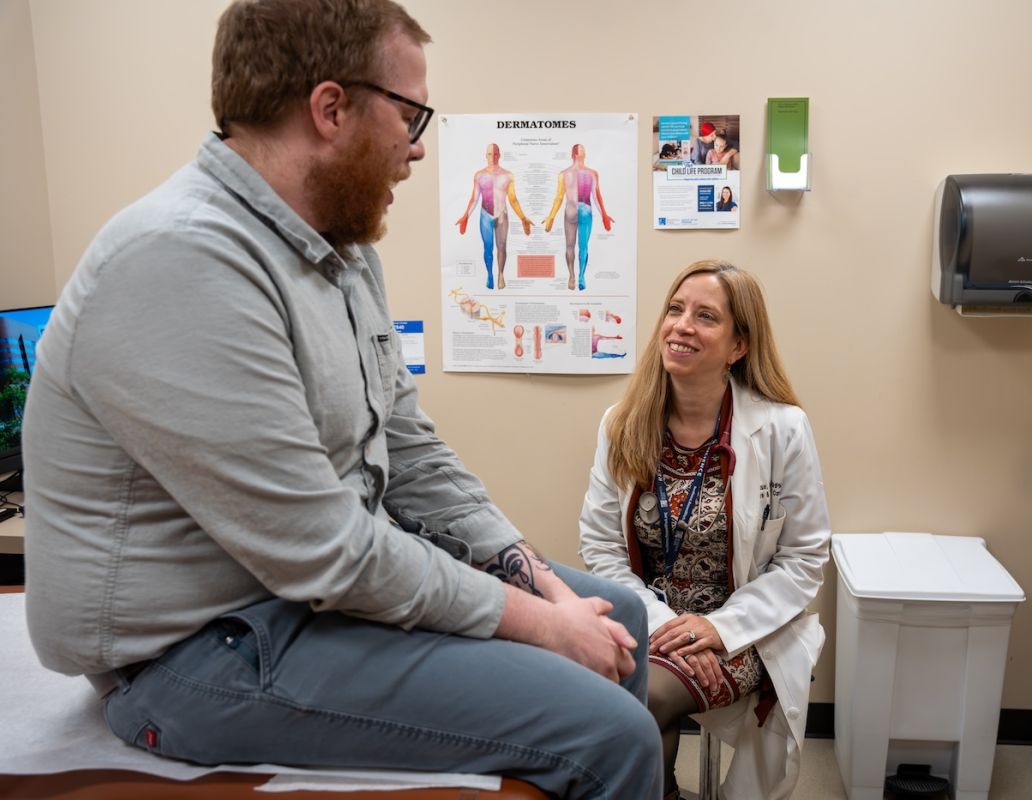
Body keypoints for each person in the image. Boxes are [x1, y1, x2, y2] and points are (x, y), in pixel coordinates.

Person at [20, 2, 661, 798]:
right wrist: (534, 622)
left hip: (295, 603)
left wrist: (533, 576)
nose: (419, 145)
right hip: (191, 658)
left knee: (616, 617)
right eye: (410, 112)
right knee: (611, 732)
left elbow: (413, 450)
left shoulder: (339, 252)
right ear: (330, 108)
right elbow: (322, 547)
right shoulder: (181, 260)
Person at [579, 260, 831, 800]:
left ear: (739, 345)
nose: (682, 325)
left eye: (705, 316)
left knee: (639, 700)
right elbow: (600, 546)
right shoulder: (621, 424)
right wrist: (663, 622)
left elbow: (805, 560)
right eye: (675, 309)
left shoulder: (781, 428)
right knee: (614, 694)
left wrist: (720, 628)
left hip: (746, 626)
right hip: (651, 619)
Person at [455, 143, 534, 290]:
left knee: (502, 246)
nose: (493, 157)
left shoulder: (508, 175)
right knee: (488, 247)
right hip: (485, 214)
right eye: (490, 154)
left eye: (495, 154)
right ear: (486, 156)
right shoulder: (479, 175)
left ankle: (501, 275)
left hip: (501, 214)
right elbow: (474, 198)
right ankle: (490, 275)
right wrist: (466, 215)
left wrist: (523, 217)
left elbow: (513, 199)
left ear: (499, 155)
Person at [542, 144, 614, 291]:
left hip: (571, 209)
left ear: (572, 154)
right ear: (581, 154)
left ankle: (573, 277)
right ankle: (579, 276)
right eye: (583, 150)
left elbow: (559, 198)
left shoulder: (564, 174)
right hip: (585, 209)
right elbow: (596, 196)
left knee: (570, 246)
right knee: (583, 247)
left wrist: (551, 217)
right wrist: (604, 215)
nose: (583, 152)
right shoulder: (591, 173)